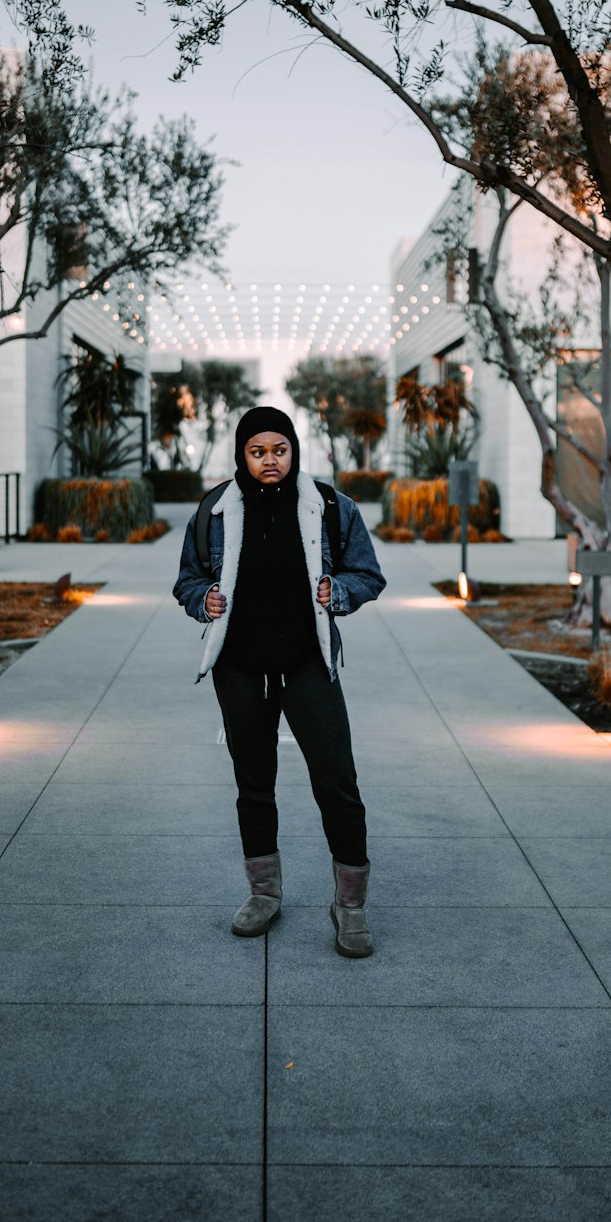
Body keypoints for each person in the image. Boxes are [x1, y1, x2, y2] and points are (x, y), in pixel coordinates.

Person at [173, 406, 386, 956]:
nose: (271, 460)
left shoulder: (330, 507)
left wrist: (336, 592)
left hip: (308, 663)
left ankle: (351, 905)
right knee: (253, 782)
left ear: (294, 450)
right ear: (243, 457)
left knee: (337, 779)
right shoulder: (215, 511)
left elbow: (368, 575)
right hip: (239, 667)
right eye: (258, 451)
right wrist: (204, 599)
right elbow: (187, 580)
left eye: (280, 449)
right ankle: (264, 893)